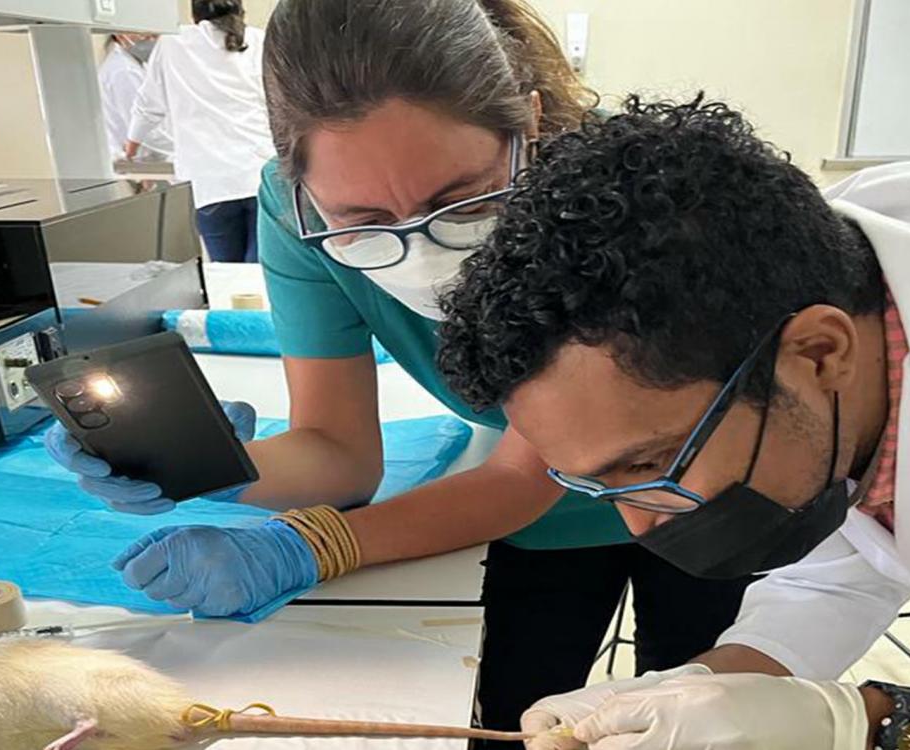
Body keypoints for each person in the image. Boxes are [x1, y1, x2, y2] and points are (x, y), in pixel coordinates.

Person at [43, 1, 754, 741]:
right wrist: (208, 464)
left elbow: (523, 475)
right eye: (363, 221)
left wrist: (312, 546)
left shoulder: (609, 196)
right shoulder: (296, 214)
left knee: (702, 711)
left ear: (531, 127)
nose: (422, 247)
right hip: (538, 526)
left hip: (697, 486)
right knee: (513, 716)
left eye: (461, 200)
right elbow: (338, 452)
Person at [435, 96, 910, 750]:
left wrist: (857, 722)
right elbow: (838, 567)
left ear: (820, 352)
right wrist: (699, 688)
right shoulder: (795, 289)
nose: (641, 527)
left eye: (652, 463)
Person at [126, 0, 273, 263]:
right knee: (257, 276)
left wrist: (130, 150)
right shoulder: (258, 40)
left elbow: (148, 107)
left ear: (195, 13)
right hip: (259, 176)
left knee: (226, 275)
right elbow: (280, 103)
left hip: (210, 184)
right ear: (240, 10)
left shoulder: (173, 42)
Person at [97, 34, 173, 163]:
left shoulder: (134, 65)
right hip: (140, 163)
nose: (152, 39)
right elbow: (145, 130)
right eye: (145, 35)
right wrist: (185, 150)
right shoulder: (123, 70)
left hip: (148, 160)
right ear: (120, 35)